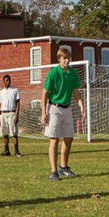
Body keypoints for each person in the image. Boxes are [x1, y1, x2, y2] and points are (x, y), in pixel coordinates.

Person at [41, 46, 85, 181]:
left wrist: (81, 105)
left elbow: (76, 91)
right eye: (64, 58)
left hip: (67, 109)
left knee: (68, 138)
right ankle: (54, 172)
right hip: (54, 108)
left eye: (68, 58)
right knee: (54, 139)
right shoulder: (53, 73)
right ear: (59, 59)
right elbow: (44, 93)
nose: (67, 61)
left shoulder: (73, 73)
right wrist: (43, 113)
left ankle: (63, 167)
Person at [0, 74, 21, 157]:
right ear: (3, 82)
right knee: (5, 133)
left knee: (13, 133)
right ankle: (6, 150)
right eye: (5, 80)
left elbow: (18, 104)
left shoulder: (15, 90)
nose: (7, 82)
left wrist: (17, 115)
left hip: (11, 113)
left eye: (8, 80)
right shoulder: (1, 92)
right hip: (3, 113)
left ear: (10, 81)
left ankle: (16, 151)